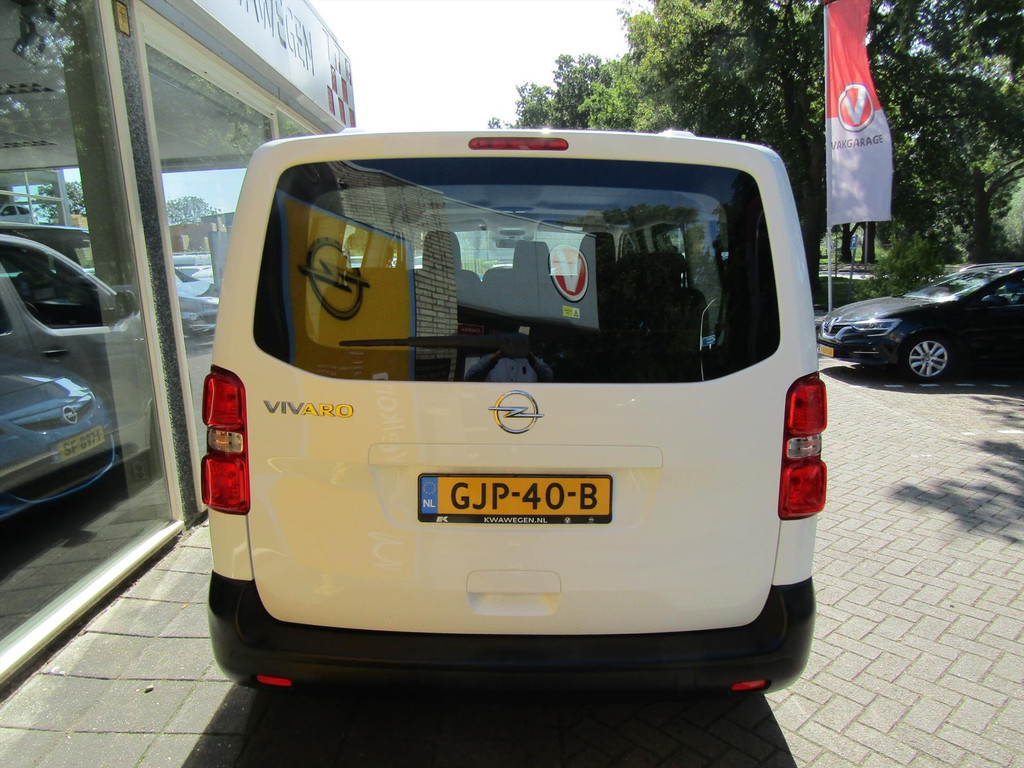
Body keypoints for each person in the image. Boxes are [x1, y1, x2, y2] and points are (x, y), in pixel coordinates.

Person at [465, 349, 553, 382]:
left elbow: (549, 378)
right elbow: (469, 378)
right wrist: (491, 360)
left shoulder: (532, 362)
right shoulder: (491, 360)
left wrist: (532, 359)